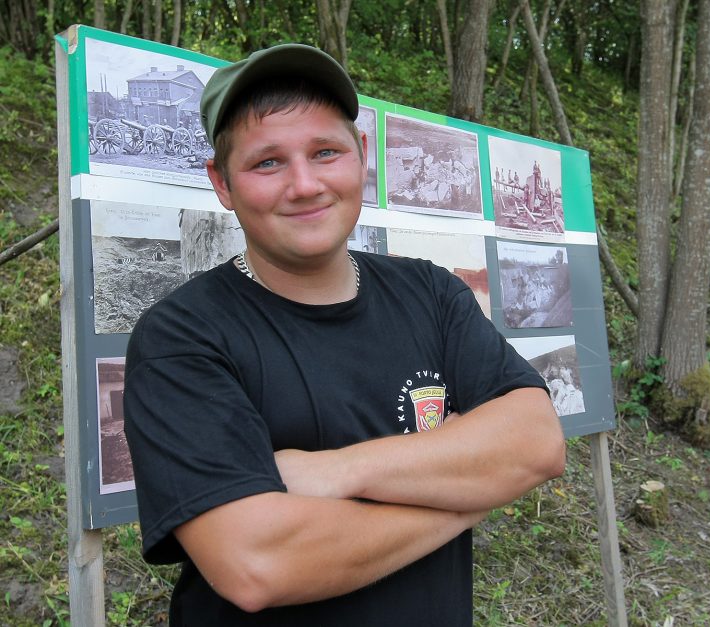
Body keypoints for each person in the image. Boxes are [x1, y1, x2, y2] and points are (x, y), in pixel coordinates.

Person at [123, 43, 566, 625]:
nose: (305, 185)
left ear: (360, 156)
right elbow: (258, 564)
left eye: (324, 152)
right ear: (223, 183)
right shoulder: (181, 338)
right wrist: (470, 486)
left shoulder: (430, 294)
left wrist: (337, 471)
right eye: (267, 163)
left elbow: (537, 442)